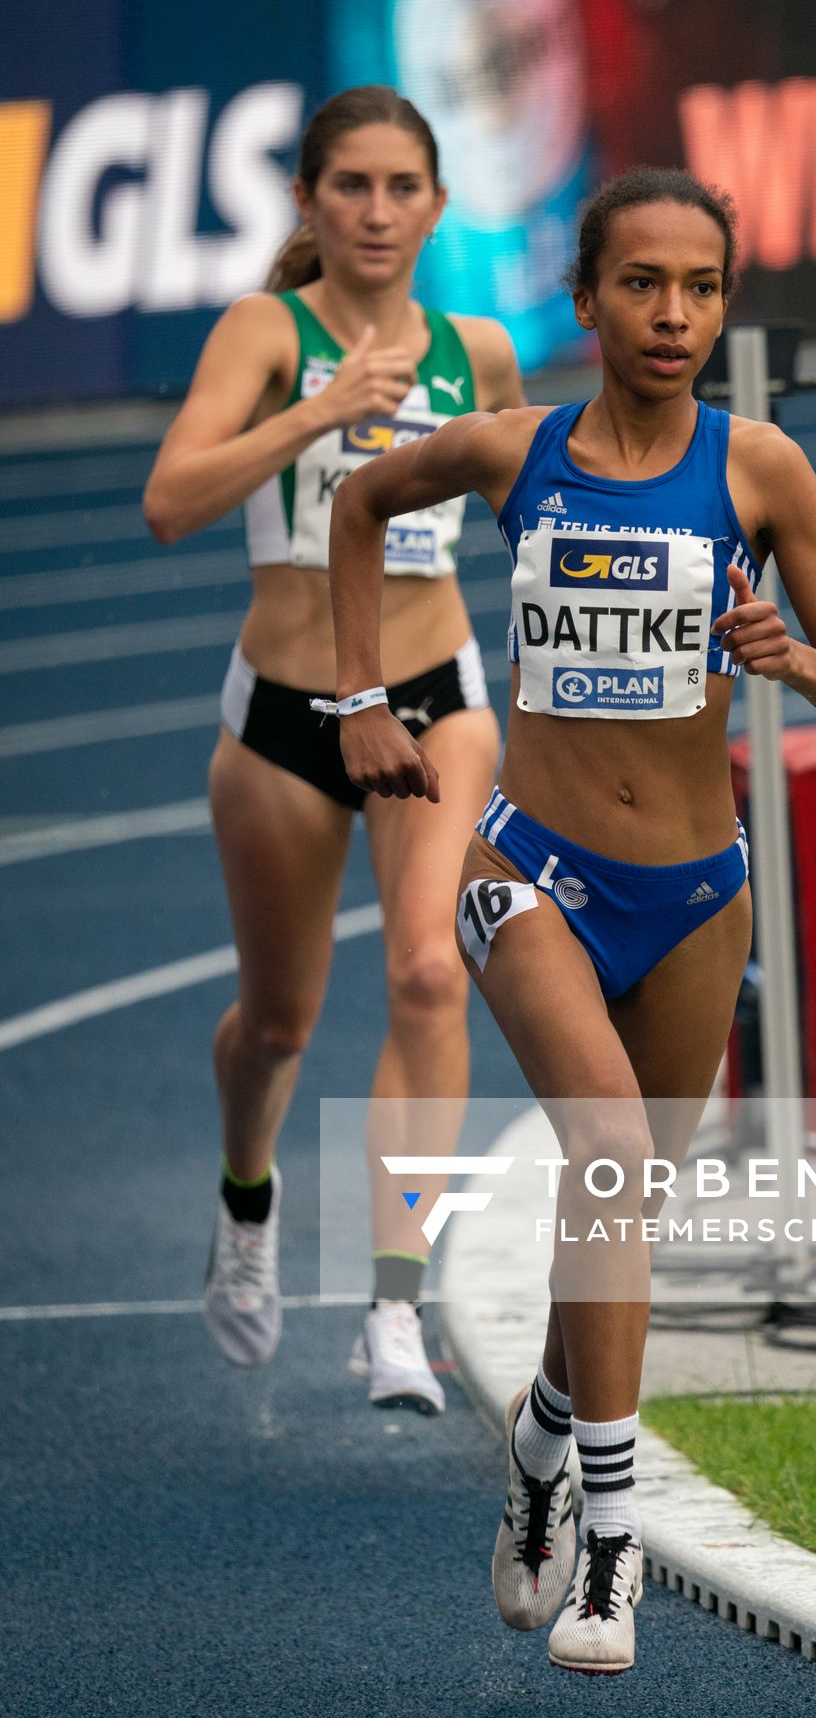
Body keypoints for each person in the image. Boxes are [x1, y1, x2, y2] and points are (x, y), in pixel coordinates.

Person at [325, 165, 816, 1672]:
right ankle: (616, 1545)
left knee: (620, 1213)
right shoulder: (515, 457)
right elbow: (361, 501)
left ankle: (541, 1443)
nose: (674, 314)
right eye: (642, 284)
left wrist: (787, 651)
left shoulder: (761, 469)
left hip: (699, 893)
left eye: (701, 288)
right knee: (616, 1157)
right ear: (586, 300)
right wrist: (364, 697)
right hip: (533, 873)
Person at [142, 84, 522, 1411]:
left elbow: (536, 522)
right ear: (307, 202)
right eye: (348, 185)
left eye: (399, 186)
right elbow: (168, 504)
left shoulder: (477, 352)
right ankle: (249, 1203)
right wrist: (319, 410)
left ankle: (394, 1311)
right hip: (286, 718)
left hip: (435, 695)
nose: (374, 210)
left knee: (430, 974)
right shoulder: (267, 330)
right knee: (278, 1024)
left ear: (436, 205)